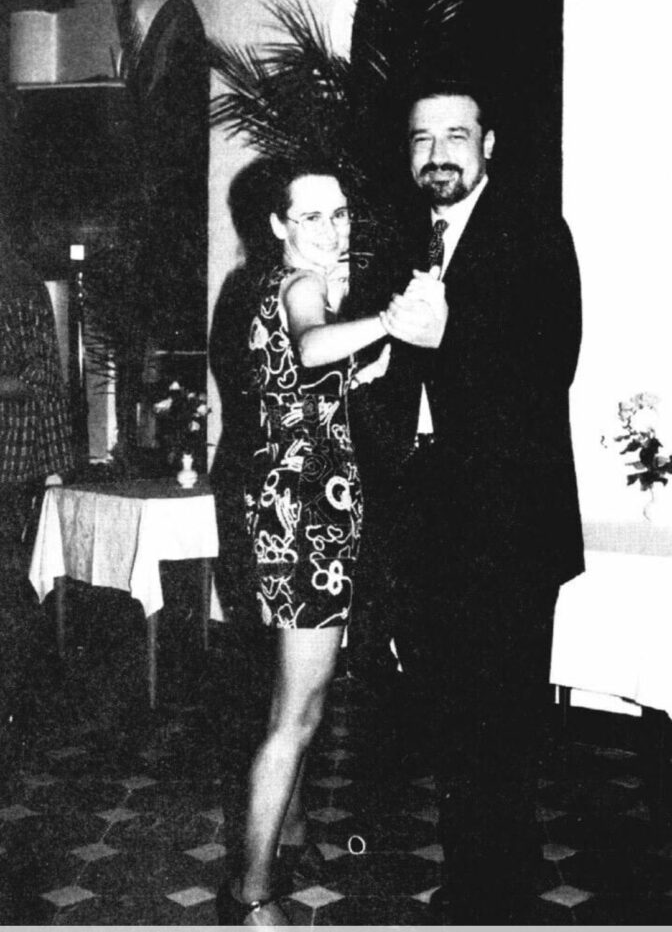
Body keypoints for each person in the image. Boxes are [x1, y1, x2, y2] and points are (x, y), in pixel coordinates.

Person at [354, 78, 584, 924]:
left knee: (504, 718)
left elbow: (549, 362)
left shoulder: (533, 232)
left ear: (489, 145)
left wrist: (447, 339)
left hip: (507, 519)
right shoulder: (402, 245)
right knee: (454, 715)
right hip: (426, 514)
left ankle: (499, 895)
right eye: (422, 139)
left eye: (456, 135)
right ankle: (480, 877)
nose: (438, 154)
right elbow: (386, 376)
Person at [216, 160, 391, 926]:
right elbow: (314, 345)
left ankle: (288, 833)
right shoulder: (299, 286)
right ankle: (251, 894)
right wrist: (387, 323)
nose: (332, 229)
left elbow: (298, 385)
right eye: (312, 216)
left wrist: (360, 367)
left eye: (340, 213)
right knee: (300, 714)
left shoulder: (267, 285)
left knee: (294, 699)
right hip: (306, 519)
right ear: (278, 226)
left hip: (293, 509)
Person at [0, 237, 74, 747]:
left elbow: (40, 375)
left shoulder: (17, 283)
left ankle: (24, 704)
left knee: (10, 587)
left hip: (12, 461)